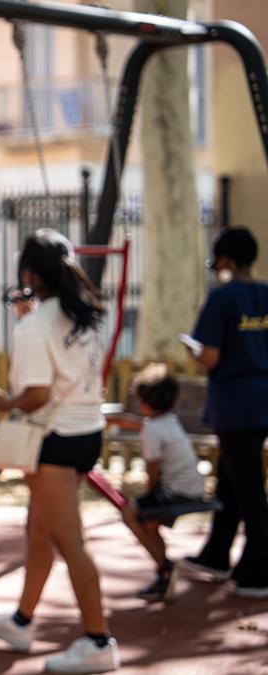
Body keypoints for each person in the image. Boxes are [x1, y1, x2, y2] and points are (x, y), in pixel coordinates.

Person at [0, 229, 120, 674]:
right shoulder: (91, 313)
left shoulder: (34, 326)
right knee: (39, 530)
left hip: (54, 442)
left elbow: (35, 395)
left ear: (29, 273)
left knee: (70, 541)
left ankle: (98, 641)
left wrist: (3, 403)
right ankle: (21, 621)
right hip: (87, 432)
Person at [179, 227, 268, 598]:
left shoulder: (221, 299)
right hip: (262, 397)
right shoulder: (265, 294)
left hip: (234, 402)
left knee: (248, 487)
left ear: (226, 259)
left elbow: (209, 356)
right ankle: (217, 553)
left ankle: (260, 568)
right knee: (231, 479)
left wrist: (192, 349)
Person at [107, 364, 206, 602]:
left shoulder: (151, 431)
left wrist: (148, 497)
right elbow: (142, 423)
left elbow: (152, 469)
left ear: (143, 402)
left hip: (176, 491)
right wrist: (116, 421)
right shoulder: (167, 421)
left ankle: (165, 567)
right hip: (194, 486)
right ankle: (163, 573)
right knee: (150, 524)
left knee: (131, 514)